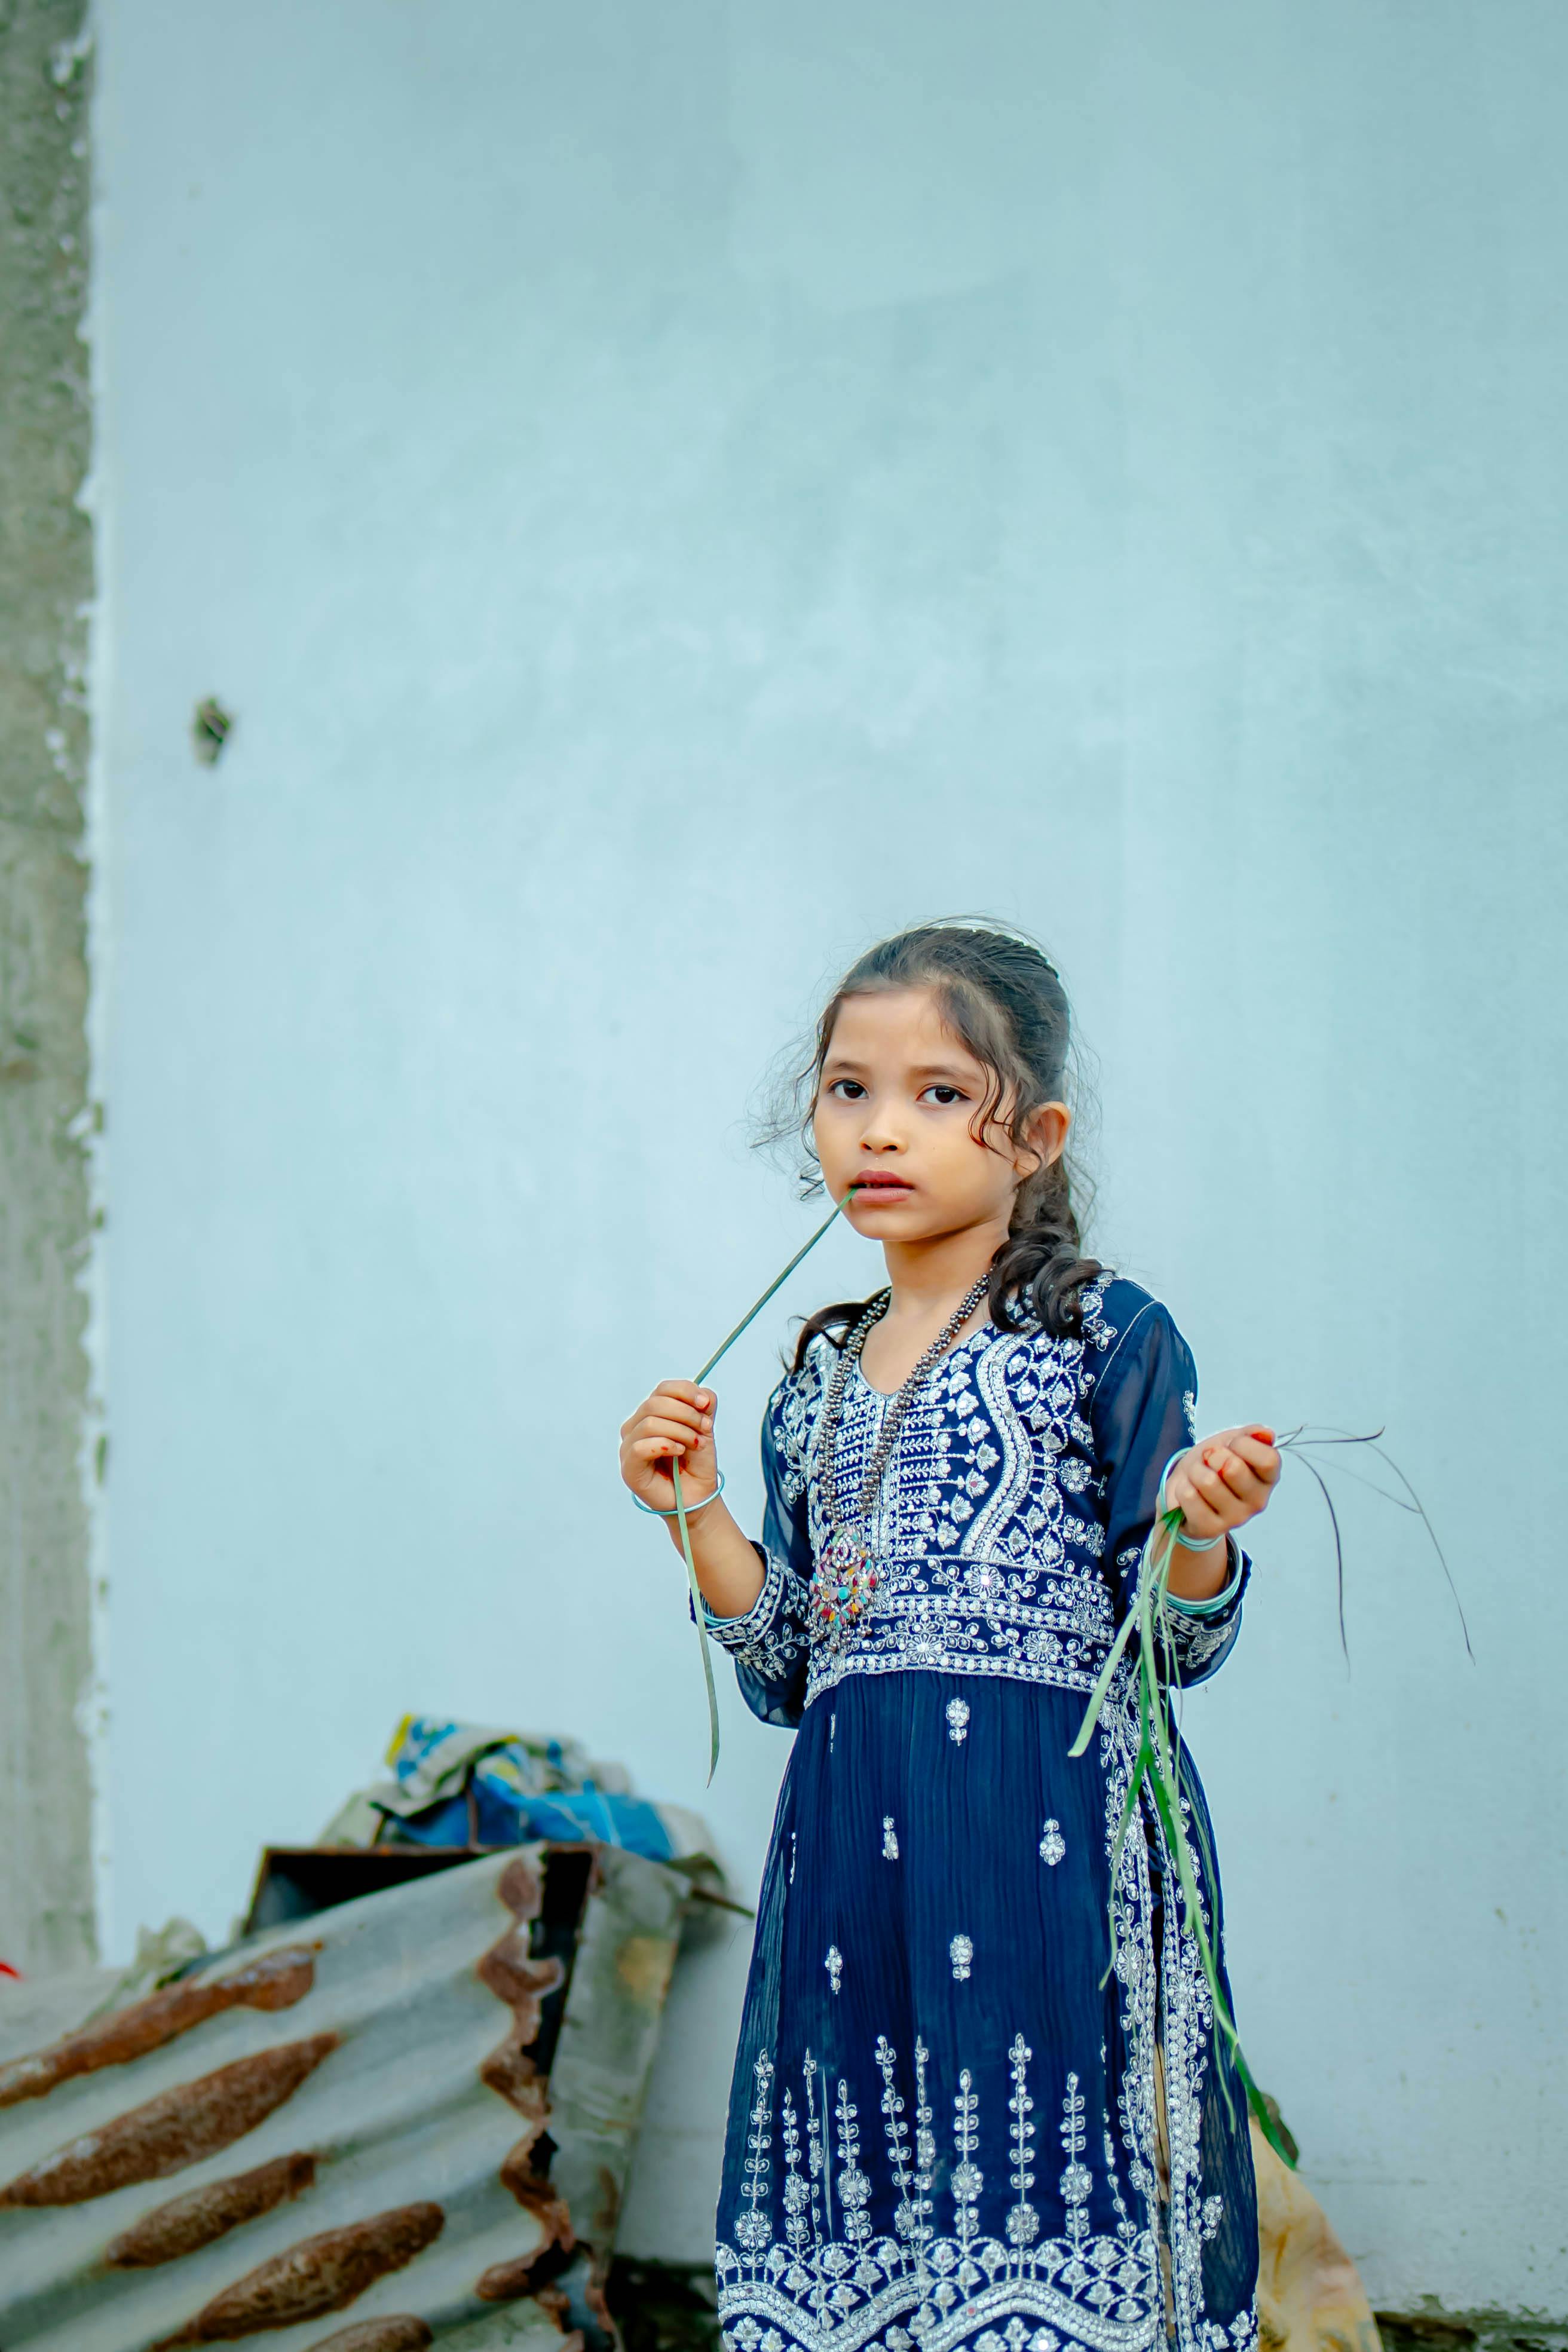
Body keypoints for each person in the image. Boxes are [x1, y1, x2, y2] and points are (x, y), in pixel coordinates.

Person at [619, 923, 1281, 2352]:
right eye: (847, 1088)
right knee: (875, 2231)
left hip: (1043, 1838)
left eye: (934, 1092)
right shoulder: (809, 1381)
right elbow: (793, 1665)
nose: (880, 1127)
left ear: (1032, 1133)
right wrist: (700, 1511)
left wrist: (1203, 1528)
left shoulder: (1105, 1336)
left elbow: (1172, 1648)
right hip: (857, 1855)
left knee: (1045, 2187)